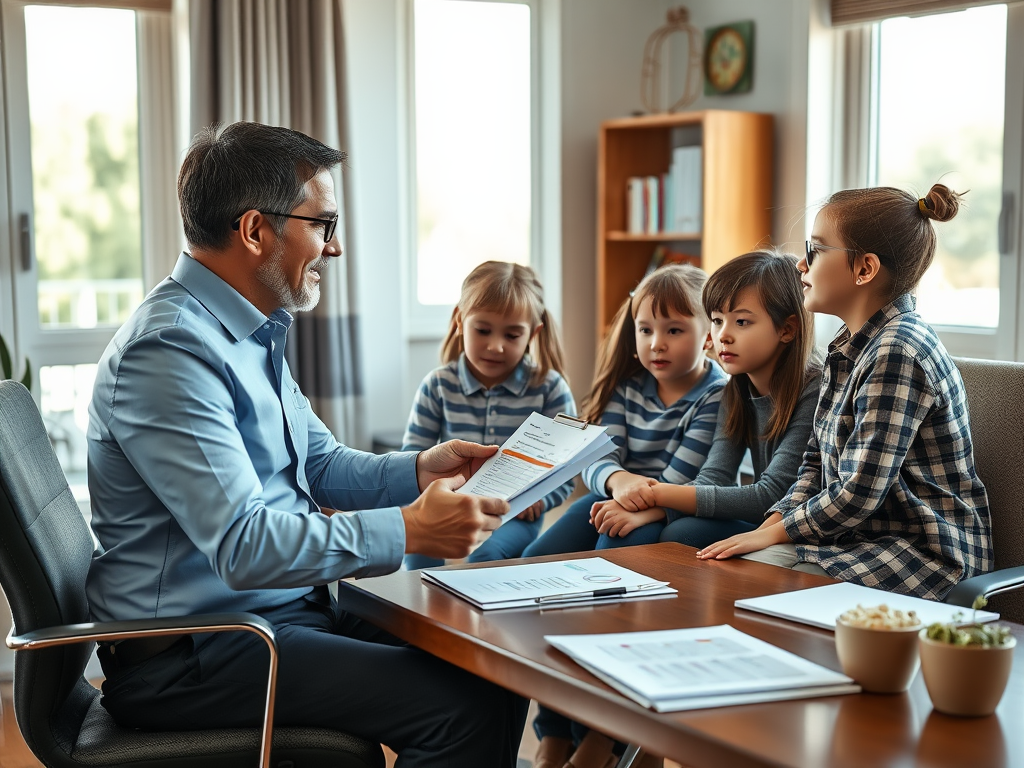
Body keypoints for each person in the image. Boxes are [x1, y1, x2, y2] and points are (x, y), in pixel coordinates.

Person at [85, 121, 527, 767]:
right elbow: (244, 546)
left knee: (494, 665)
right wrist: (408, 530)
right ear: (256, 230)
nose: (335, 246)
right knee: (463, 708)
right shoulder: (171, 350)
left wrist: (421, 470)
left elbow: (317, 464)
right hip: (197, 653)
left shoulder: (246, 329)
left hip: (275, 613)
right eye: (323, 223)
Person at [696, 183, 993, 600]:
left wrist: (773, 535)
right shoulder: (848, 347)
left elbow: (858, 493)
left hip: (923, 555)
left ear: (864, 269)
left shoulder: (898, 351)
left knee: (749, 582)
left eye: (815, 251)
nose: (801, 264)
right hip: (856, 538)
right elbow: (814, 463)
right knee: (734, 565)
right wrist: (771, 525)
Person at [523, 263, 725, 768]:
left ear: (707, 336)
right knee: (535, 566)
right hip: (618, 501)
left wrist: (642, 502)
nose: (657, 342)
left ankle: (606, 738)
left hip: (664, 509)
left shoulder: (717, 395)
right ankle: (554, 731)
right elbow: (593, 457)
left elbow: (689, 476)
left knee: (605, 586)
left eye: (675, 330)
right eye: (646, 329)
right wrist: (619, 483)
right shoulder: (628, 384)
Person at [589, 251, 821, 549]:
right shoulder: (735, 388)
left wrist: (653, 497)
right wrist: (653, 507)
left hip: (793, 524)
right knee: (628, 527)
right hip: (761, 516)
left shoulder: (814, 389)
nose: (723, 335)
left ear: (787, 329)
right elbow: (716, 476)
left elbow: (770, 494)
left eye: (741, 322)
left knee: (682, 533)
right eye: (717, 320)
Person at [402, 260, 576, 570]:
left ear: (533, 333)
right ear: (459, 320)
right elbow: (412, 458)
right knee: (416, 548)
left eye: (512, 336)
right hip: (449, 504)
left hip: (511, 511)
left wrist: (539, 501)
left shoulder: (549, 388)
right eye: (483, 330)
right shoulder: (438, 385)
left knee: (486, 557)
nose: (495, 347)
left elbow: (567, 468)